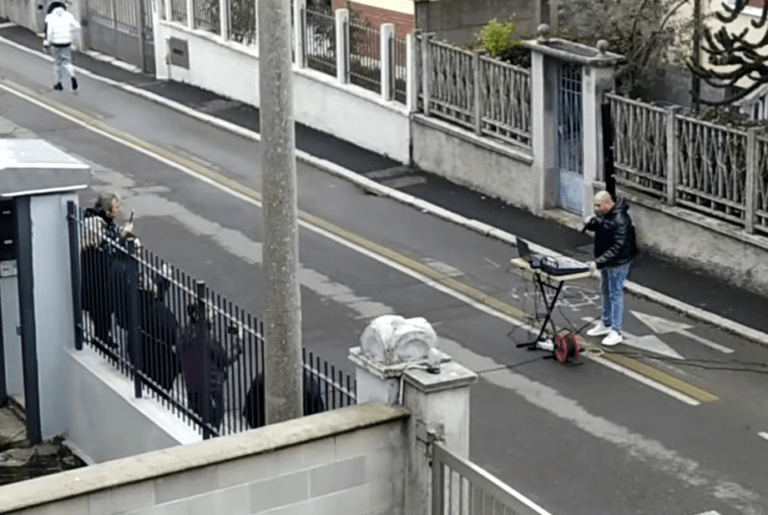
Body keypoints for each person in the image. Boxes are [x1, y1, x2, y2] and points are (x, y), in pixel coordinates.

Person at [80, 192, 138, 349]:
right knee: (101, 312)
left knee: (102, 313)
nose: (118, 210)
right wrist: (123, 237)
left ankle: (103, 337)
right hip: (98, 279)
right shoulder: (97, 225)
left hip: (99, 277)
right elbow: (110, 249)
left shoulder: (101, 221)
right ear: (107, 210)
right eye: (116, 207)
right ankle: (101, 340)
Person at [177, 303, 243, 431]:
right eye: (209, 310)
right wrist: (238, 342)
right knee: (215, 418)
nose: (214, 313)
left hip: (192, 384)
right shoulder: (208, 339)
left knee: (197, 415)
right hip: (211, 387)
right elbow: (225, 359)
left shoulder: (182, 332)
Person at [583, 191, 637, 346]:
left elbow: (617, 247)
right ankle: (605, 323)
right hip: (607, 261)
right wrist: (591, 223)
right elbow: (601, 227)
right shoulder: (606, 214)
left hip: (618, 262)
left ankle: (616, 331)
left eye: (598, 205)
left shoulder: (621, 220)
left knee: (615, 294)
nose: (596, 208)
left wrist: (598, 263)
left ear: (607, 203)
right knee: (605, 290)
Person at [43, 1, 81, 91]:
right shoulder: (68, 15)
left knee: (57, 63)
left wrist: (46, 44)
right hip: (67, 42)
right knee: (67, 62)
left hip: (56, 43)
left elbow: (49, 32)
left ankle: (59, 83)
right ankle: (72, 76)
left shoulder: (49, 17)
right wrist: (68, 31)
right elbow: (77, 26)